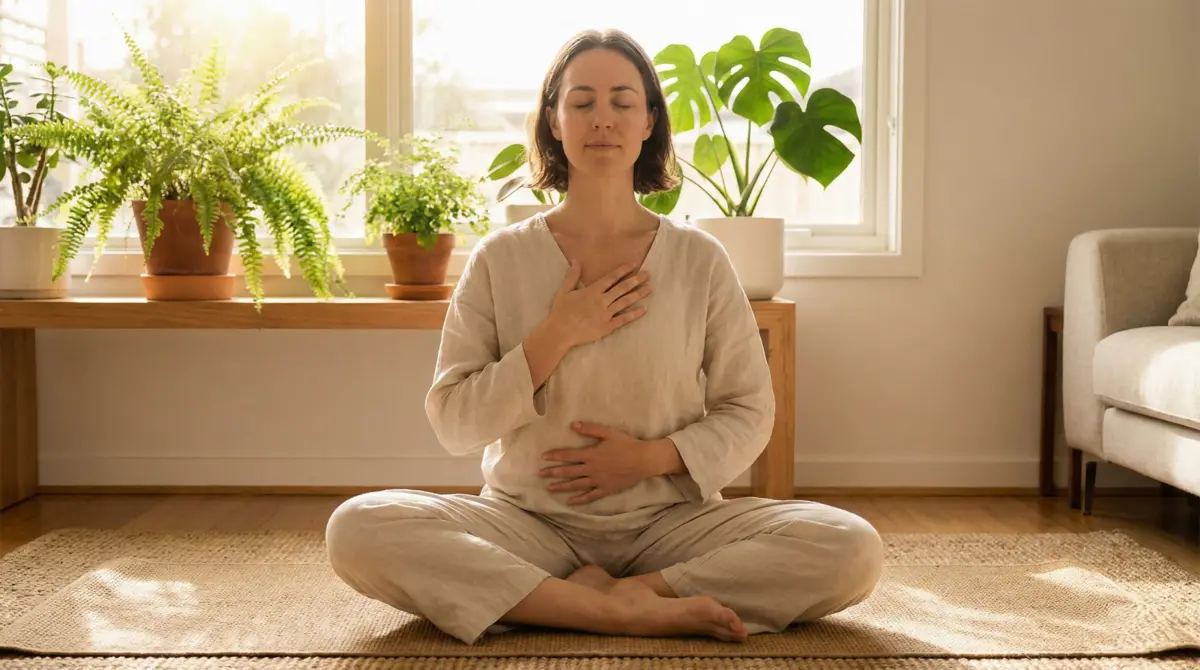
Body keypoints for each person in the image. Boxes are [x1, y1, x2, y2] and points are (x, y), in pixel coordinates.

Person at [325, 28, 883, 646]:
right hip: (527, 522)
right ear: (553, 121)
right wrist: (558, 333)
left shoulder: (700, 258)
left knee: (852, 546)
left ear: (649, 121)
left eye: (622, 101)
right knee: (358, 527)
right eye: (581, 102)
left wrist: (648, 460)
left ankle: (625, 593)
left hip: (673, 526)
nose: (602, 120)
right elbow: (453, 419)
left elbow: (749, 411)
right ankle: (615, 611)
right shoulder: (499, 259)